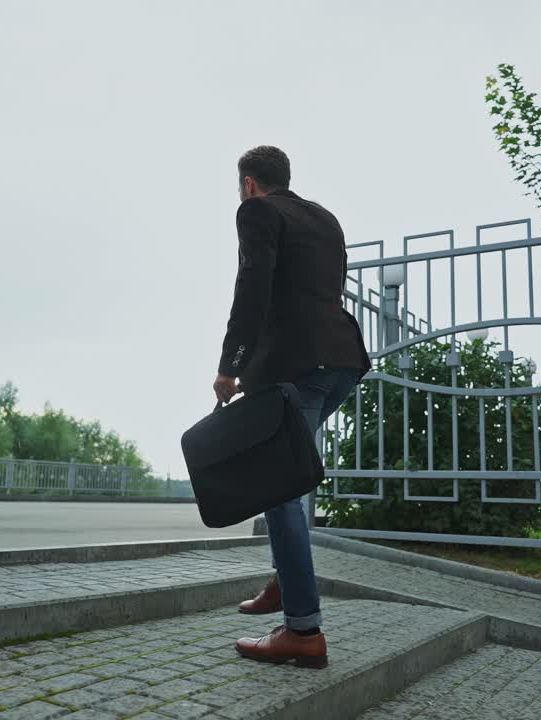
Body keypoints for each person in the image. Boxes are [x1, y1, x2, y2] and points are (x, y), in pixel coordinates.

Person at [213, 145, 370, 669]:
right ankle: (285, 584)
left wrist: (231, 364)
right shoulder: (325, 218)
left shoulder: (256, 211)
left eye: (241, 187)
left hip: (293, 365)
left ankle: (303, 629)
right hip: (341, 363)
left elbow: (252, 285)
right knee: (286, 473)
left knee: (280, 487)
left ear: (250, 184)